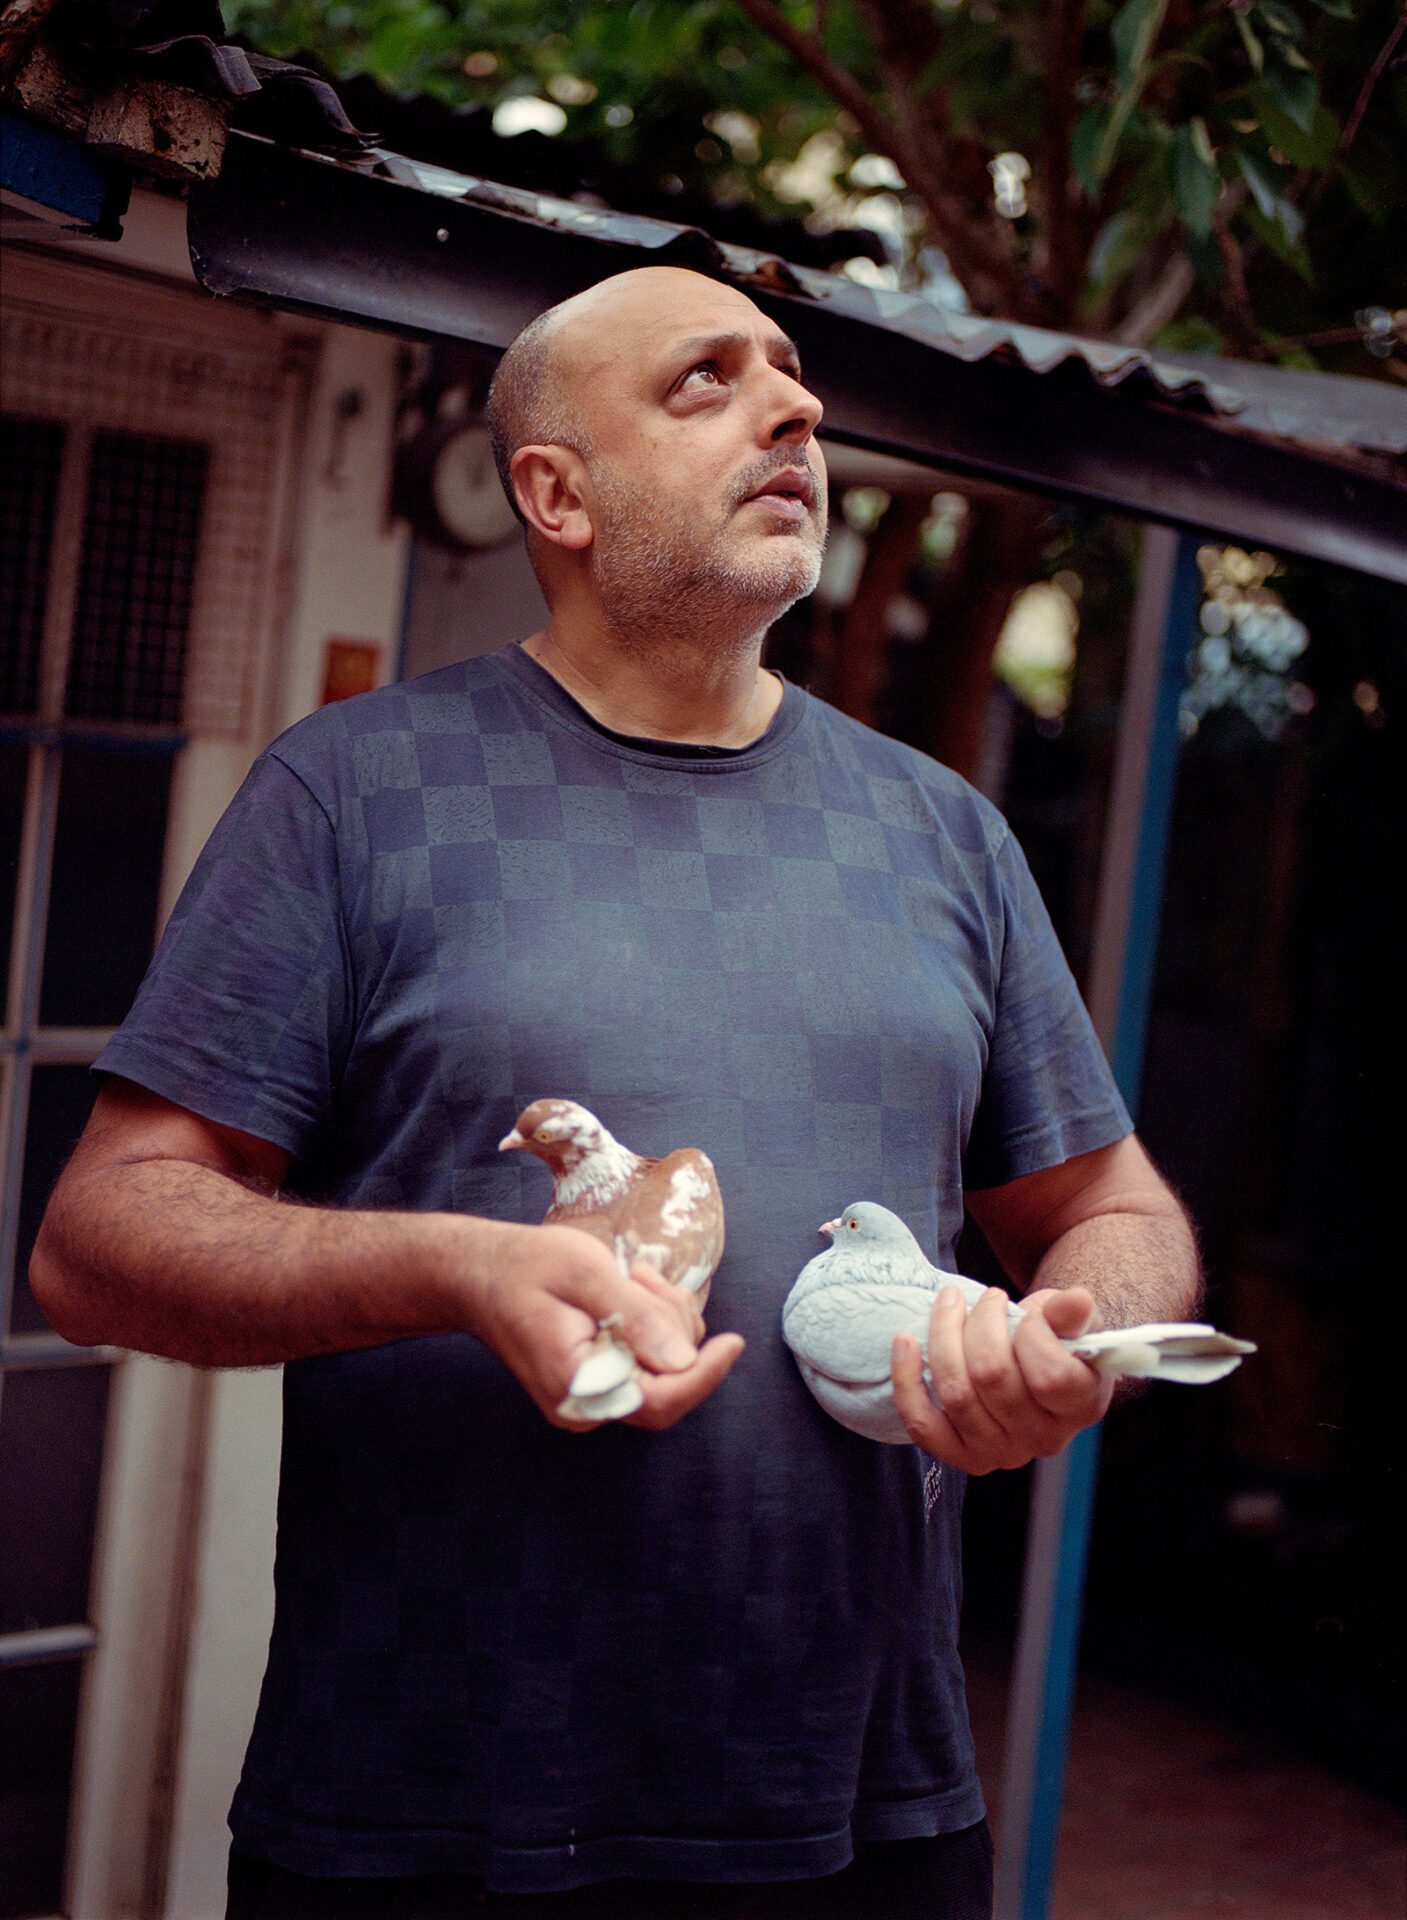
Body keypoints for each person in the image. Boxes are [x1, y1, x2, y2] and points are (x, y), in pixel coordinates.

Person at [32, 265, 1199, 1920]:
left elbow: (1113, 1207)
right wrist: (456, 1267)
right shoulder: (354, 797)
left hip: (864, 1814)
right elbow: (96, 1240)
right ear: (555, 492)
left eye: (792, 376)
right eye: (706, 382)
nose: (795, 408)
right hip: (430, 1811)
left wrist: (1070, 1338)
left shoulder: (943, 833)